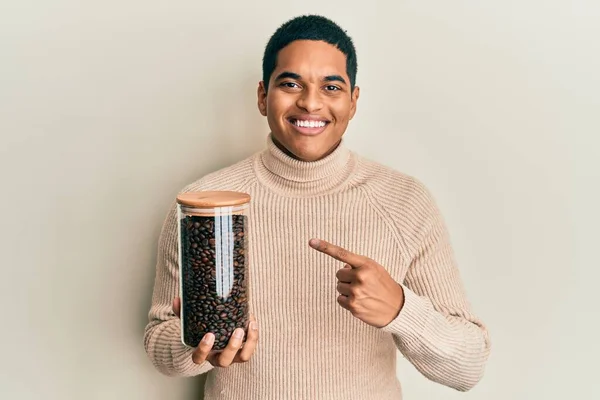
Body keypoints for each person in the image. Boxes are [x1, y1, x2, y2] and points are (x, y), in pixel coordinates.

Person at [143, 14, 491, 399]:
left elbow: (469, 365)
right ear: (263, 96)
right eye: (290, 84)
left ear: (353, 101)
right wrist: (197, 344)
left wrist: (400, 310)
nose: (310, 103)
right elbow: (160, 345)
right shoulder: (204, 202)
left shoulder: (405, 201)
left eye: (331, 86)